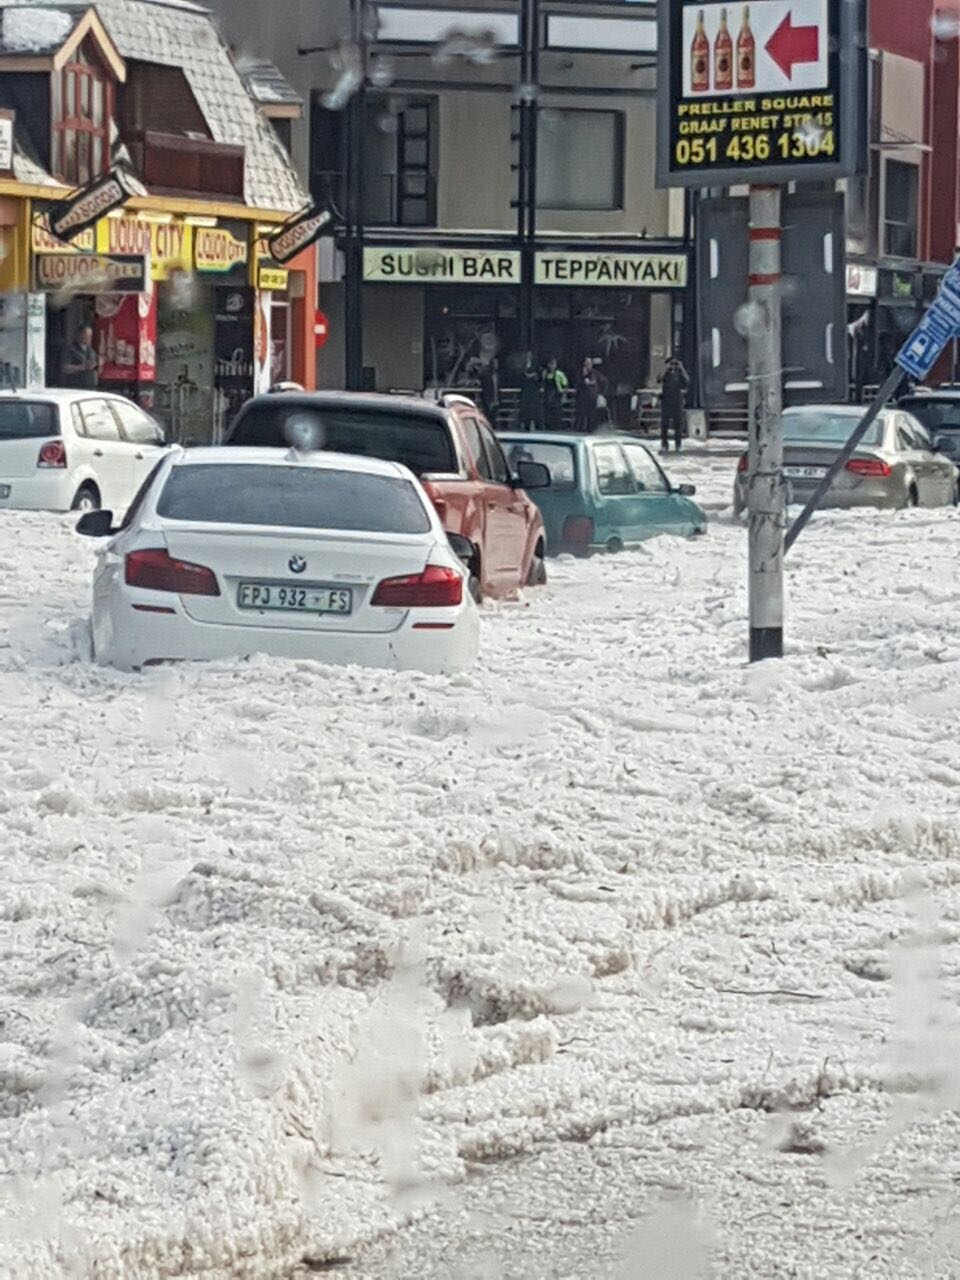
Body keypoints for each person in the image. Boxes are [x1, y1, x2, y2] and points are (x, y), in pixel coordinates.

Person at [658, 356, 690, 453]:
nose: (673, 366)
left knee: (678, 424)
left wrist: (681, 368)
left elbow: (687, 381)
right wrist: (665, 369)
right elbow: (659, 379)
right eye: (671, 364)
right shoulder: (666, 373)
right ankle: (664, 444)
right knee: (664, 424)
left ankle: (678, 444)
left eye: (674, 364)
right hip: (666, 400)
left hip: (677, 400)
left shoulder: (679, 373)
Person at [574, 357, 607, 433]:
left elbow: (605, 382)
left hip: (592, 397)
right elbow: (577, 383)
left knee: (592, 414)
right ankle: (580, 428)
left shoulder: (596, 373)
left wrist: (601, 393)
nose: (588, 366)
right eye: (586, 364)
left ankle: (591, 428)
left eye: (589, 364)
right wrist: (583, 376)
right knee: (581, 414)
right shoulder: (580, 374)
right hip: (582, 397)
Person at [62, 324, 98, 389]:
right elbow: (65, 368)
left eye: (90, 336)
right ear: (80, 334)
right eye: (87, 335)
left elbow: (96, 367)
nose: (89, 338)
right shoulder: (70, 349)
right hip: (76, 386)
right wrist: (82, 367)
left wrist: (96, 364)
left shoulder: (91, 350)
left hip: (90, 386)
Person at [515, 352, 543, 431]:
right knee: (525, 409)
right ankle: (525, 424)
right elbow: (521, 377)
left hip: (533, 391)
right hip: (525, 391)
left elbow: (539, 378)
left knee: (534, 409)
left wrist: (533, 376)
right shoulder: (522, 367)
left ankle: (538, 425)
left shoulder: (536, 367)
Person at [541, 357, 569, 430]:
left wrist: (564, 394)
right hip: (547, 395)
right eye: (551, 364)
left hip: (556, 395)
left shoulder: (559, 374)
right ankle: (547, 426)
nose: (552, 366)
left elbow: (565, 384)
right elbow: (543, 383)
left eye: (553, 364)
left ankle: (557, 427)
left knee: (557, 412)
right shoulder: (545, 373)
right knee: (547, 412)